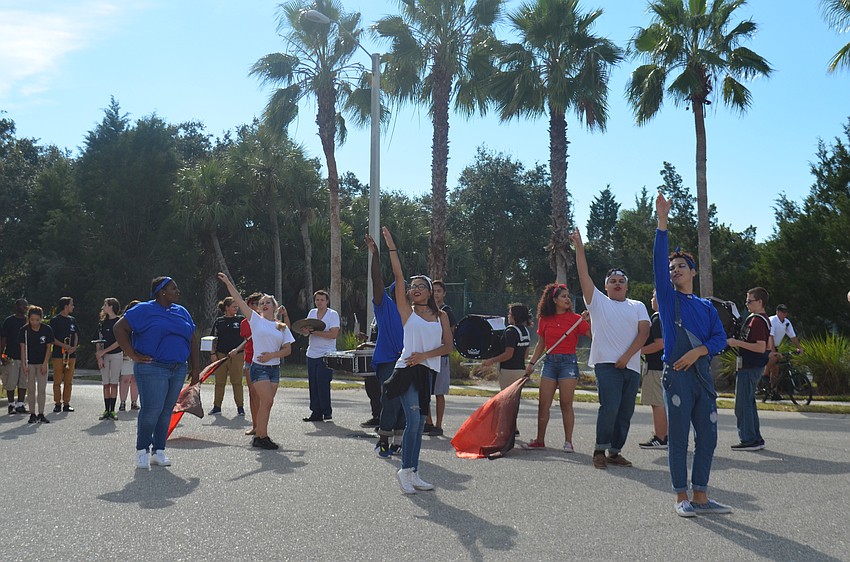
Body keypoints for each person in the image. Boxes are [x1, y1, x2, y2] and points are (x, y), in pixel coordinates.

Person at [654, 192, 731, 517]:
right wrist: (662, 223)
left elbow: (721, 338)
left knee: (709, 437)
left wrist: (701, 349)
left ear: (693, 272)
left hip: (702, 377)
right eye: (672, 267)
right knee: (679, 439)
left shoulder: (706, 306)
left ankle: (701, 495)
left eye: (681, 266)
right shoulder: (669, 300)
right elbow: (658, 263)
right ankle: (680, 496)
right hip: (678, 380)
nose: (674, 270)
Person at [381, 226, 452, 494]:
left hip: (426, 371)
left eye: (422, 286)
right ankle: (403, 470)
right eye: (414, 287)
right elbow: (398, 276)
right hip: (407, 370)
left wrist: (426, 355)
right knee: (413, 418)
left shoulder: (441, 316)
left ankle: (413, 471)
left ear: (431, 291)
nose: (416, 289)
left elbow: (448, 346)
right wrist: (392, 248)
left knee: (421, 423)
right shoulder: (406, 312)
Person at [572, 229, 650, 469]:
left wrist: (627, 357)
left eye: (621, 281)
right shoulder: (598, 302)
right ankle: (599, 449)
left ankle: (615, 452)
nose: (617, 284)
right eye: (612, 281)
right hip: (607, 365)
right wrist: (579, 247)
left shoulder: (637, 305)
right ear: (605, 287)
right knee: (611, 406)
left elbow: (644, 332)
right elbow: (583, 273)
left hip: (631, 366)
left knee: (625, 411)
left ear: (627, 286)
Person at [114, 276, 201, 469]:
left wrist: (195, 369)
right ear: (161, 292)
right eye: (173, 288)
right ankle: (142, 451)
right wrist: (133, 354)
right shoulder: (144, 309)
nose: (177, 291)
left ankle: (159, 451)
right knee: (152, 410)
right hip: (152, 367)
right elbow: (119, 328)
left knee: (166, 411)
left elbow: (192, 339)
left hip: (177, 368)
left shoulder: (182, 311)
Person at [218, 273, 294, 450]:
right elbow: (238, 298)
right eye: (262, 303)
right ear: (258, 308)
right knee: (266, 401)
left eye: (268, 302)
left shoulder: (280, 326)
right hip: (259, 368)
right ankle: (262, 435)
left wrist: (272, 355)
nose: (264, 305)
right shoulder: (255, 320)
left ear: (274, 307)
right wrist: (229, 283)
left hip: (274, 369)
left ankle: (260, 436)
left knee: (266, 404)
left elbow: (288, 350)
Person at [521, 287, 591, 452]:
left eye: (568, 296)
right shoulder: (545, 319)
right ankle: (539, 440)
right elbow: (541, 343)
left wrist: (588, 320)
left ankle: (568, 442)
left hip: (568, 363)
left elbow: (593, 335)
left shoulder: (575, 319)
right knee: (543, 404)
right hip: (550, 363)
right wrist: (531, 363)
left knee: (566, 404)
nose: (567, 299)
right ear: (554, 300)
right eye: (563, 297)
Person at [365, 233, 406, 458]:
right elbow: (377, 280)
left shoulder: (413, 313)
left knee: (403, 401)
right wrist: (376, 255)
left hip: (408, 360)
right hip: (388, 360)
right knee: (390, 398)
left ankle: (398, 440)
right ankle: (383, 439)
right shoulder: (385, 306)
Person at [728, 287, 771, 451]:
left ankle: (748, 439)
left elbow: (760, 347)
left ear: (759, 302)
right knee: (749, 403)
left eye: (750, 301)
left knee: (742, 405)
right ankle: (755, 438)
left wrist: (736, 342)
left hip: (751, 366)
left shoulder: (758, 321)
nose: (747, 304)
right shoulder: (757, 319)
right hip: (751, 366)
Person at [300, 290, 340, 422]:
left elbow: (333, 334)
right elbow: (307, 333)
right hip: (312, 353)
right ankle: (315, 412)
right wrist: (306, 332)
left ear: (327, 301)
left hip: (326, 353)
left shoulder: (332, 315)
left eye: (322, 300)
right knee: (313, 384)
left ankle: (326, 411)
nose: (319, 302)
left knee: (323, 383)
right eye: (317, 300)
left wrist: (315, 332)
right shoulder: (312, 313)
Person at [424, 280, 457, 436]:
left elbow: (450, 333)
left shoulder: (446, 312)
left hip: (441, 355)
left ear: (443, 293)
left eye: (439, 291)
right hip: (427, 356)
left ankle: (438, 424)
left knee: (439, 392)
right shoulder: (425, 310)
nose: (436, 293)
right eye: (434, 290)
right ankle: (428, 422)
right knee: (425, 391)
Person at [638, 291, 668, 449]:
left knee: (657, 403)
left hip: (656, 366)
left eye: (654, 297)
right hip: (664, 366)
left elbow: (659, 343)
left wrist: (638, 350)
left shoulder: (657, 318)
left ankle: (661, 437)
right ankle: (666, 435)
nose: (652, 300)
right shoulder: (668, 317)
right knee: (662, 402)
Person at [208, 297, 246, 416]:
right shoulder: (219, 321)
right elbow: (212, 339)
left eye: (237, 306)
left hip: (237, 355)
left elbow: (247, 338)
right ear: (227, 307)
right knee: (219, 382)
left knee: (237, 382)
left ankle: (240, 407)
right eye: (234, 306)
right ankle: (217, 407)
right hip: (221, 355)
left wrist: (239, 350)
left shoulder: (241, 320)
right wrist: (213, 354)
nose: (236, 308)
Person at [483, 303, 532, 391]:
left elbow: (508, 354)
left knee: (506, 398)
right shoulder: (526, 331)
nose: (508, 316)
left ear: (515, 316)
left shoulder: (510, 331)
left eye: (510, 313)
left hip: (508, 370)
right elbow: (525, 355)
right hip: (521, 370)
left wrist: (491, 360)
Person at [18, 306, 54, 424]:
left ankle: (41, 413)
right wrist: (23, 364)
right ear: (29, 319)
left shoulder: (47, 329)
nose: (35, 322)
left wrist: (45, 363)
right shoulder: (24, 330)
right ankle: (32, 413)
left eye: (37, 320)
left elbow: (49, 348)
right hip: (30, 363)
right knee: (31, 389)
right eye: (32, 320)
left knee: (42, 389)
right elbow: (23, 348)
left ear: (41, 319)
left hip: (42, 363)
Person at [237, 292, 263, 436]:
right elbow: (247, 340)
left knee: (264, 396)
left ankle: (262, 426)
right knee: (253, 393)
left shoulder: (268, 320)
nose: (258, 306)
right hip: (249, 360)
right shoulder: (244, 323)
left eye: (260, 303)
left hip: (264, 361)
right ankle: (255, 425)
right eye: (254, 303)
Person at [93, 298, 123, 420]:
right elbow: (98, 341)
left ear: (111, 307)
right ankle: (106, 410)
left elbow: (119, 341)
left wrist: (104, 351)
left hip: (116, 355)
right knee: (106, 383)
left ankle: (112, 410)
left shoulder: (119, 322)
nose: (103, 307)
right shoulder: (102, 323)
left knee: (114, 383)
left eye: (105, 305)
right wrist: (99, 356)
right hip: (104, 356)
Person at [50, 296, 80, 413]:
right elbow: (51, 338)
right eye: (71, 304)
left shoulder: (72, 320)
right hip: (58, 354)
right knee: (57, 380)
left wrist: (74, 347)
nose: (73, 306)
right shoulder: (55, 320)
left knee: (69, 380)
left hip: (71, 355)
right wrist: (64, 345)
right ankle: (57, 403)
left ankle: (66, 403)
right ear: (66, 306)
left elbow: (76, 334)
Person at [764, 304, 803, 392]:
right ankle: (765, 374)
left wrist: (799, 348)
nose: (784, 314)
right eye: (782, 312)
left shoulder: (786, 322)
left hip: (774, 346)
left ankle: (774, 391)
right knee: (773, 359)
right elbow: (771, 336)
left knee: (775, 370)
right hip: (766, 345)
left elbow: (793, 337)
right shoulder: (773, 320)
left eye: (785, 312)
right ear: (777, 312)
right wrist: (773, 351)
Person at [2, 298, 29, 414]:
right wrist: (1, 354)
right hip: (11, 355)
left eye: (26, 306)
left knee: (23, 381)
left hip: (25, 357)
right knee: (11, 382)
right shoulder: (9, 321)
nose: (25, 308)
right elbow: (3, 338)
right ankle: (11, 404)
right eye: (23, 306)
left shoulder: (28, 321)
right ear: (17, 306)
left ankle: (20, 404)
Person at [118, 300, 141, 412]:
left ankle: (134, 402)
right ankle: (122, 402)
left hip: (138, 353)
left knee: (135, 379)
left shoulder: (143, 321)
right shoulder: (125, 321)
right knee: (125, 378)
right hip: (127, 354)